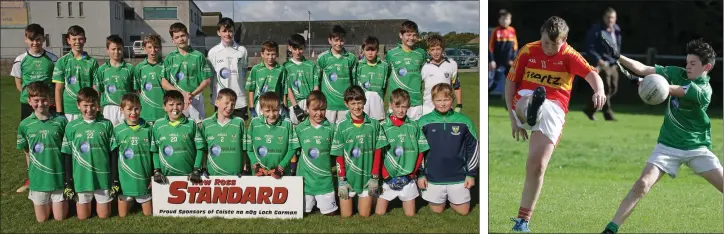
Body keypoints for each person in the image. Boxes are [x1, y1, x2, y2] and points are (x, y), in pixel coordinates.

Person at [600, 38, 723, 234]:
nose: (687, 67)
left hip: (697, 148)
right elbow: (642, 68)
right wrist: (619, 57)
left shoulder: (704, 91)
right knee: (642, 184)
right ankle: (610, 229)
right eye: (687, 62)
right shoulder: (677, 73)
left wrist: (649, 83)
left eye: (693, 64)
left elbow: (669, 90)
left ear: (706, 67)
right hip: (668, 145)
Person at [505, 16, 606, 232]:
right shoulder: (528, 51)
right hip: (525, 96)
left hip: (555, 107)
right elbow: (511, 82)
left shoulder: (569, 55)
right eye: (545, 43)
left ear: (565, 40)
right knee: (525, 100)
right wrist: (513, 119)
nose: (549, 48)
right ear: (540, 37)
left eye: (554, 44)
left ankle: (523, 221)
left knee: (538, 165)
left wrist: (599, 90)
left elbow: (592, 74)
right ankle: (529, 110)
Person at [417, 83, 478, 216]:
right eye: (438, 100)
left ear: (453, 99)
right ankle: (442, 198)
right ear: (432, 101)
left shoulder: (464, 121)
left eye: (446, 100)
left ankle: (453, 198)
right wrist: (421, 174)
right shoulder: (423, 122)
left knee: (463, 212)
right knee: (437, 211)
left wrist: (470, 174)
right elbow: (419, 151)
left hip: (458, 177)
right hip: (433, 177)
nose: (443, 103)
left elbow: (473, 148)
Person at [12, 23, 59, 193]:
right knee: (28, 143)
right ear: (26, 39)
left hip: (48, 106)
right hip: (28, 106)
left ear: (43, 39)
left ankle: (54, 174)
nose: (35, 43)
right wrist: (32, 100)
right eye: (31, 40)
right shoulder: (20, 59)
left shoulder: (53, 59)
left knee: (52, 140)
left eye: (38, 39)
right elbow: (19, 83)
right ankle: (31, 179)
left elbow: (56, 82)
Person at [331, 85, 387, 217]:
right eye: (353, 103)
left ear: (365, 102)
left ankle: (371, 196)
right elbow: (339, 155)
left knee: (365, 215)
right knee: (346, 215)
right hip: (348, 179)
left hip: (367, 179)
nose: (356, 107)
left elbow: (378, 151)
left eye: (359, 103)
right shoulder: (341, 126)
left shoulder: (374, 124)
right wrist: (342, 180)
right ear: (346, 104)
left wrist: (374, 177)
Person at [60, 87, 115, 220]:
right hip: (81, 178)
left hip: (102, 178)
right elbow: (67, 155)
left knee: (104, 216)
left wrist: (114, 179)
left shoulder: (106, 124)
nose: (89, 109)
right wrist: (68, 182)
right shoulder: (71, 126)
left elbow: (113, 152)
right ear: (78, 105)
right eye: (85, 105)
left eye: (92, 105)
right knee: (82, 217)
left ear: (98, 105)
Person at [17, 82, 68, 222]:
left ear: (50, 99)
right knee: (42, 219)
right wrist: (31, 174)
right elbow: (27, 152)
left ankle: (57, 200)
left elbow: (67, 150)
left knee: (59, 218)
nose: (41, 104)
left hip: (58, 177)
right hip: (38, 179)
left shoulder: (61, 122)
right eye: (36, 100)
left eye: (44, 99)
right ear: (29, 101)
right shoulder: (25, 124)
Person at [375, 89, 428, 216]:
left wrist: (411, 176)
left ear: (409, 106)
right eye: (397, 106)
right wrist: (386, 176)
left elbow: (421, 153)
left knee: (410, 215)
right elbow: (378, 155)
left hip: (407, 178)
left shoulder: (414, 126)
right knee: (379, 214)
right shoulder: (382, 126)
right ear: (390, 105)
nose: (400, 110)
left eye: (404, 106)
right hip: (388, 178)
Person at [294, 91, 338, 215]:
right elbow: (294, 153)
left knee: (330, 214)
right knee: (302, 213)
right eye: (315, 109)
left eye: (322, 109)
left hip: (325, 182)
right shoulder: (300, 129)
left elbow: (336, 154)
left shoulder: (332, 128)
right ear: (307, 108)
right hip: (305, 181)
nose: (319, 113)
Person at [160, 22, 212, 125]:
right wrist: (182, 94)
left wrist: (191, 94)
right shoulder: (170, 58)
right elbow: (164, 83)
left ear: (188, 35)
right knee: (178, 128)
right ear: (173, 40)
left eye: (183, 35)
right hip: (177, 101)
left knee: (198, 128)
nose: (181, 39)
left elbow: (206, 80)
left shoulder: (198, 56)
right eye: (177, 37)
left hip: (195, 99)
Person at [149, 90, 206, 185]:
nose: (175, 108)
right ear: (164, 107)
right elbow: (154, 150)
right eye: (171, 105)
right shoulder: (158, 125)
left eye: (179, 104)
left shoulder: (191, 124)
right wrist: (157, 170)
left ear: (184, 105)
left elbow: (200, 149)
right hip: (165, 179)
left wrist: (196, 169)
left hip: (189, 177)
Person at [110, 93, 153, 217]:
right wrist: (115, 179)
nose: (133, 112)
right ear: (122, 110)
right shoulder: (117, 130)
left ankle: (138, 200)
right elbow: (113, 155)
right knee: (122, 216)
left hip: (144, 179)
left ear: (140, 108)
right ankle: (130, 201)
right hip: (125, 180)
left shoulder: (148, 129)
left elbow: (153, 153)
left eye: (137, 108)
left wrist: (153, 173)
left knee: (148, 214)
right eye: (129, 109)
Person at [244, 92, 299, 178]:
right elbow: (249, 148)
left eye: (275, 110)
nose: (272, 114)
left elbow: (293, 148)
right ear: (261, 109)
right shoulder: (254, 123)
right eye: (267, 111)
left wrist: (281, 167)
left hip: (282, 174)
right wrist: (256, 164)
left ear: (280, 108)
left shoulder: (287, 124)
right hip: (260, 173)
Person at [52, 25, 99, 122]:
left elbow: (96, 87)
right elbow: (58, 89)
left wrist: (97, 107)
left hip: (87, 109)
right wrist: (59, 112)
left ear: (85, 40)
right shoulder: (62, 62)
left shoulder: (92, 62)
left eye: (80, 39)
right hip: (68, 109)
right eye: (74, 39)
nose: (77, 42)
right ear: (68, 40)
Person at [208, 17, 250, 121]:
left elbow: (244, 71)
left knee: (239, 132)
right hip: (221, 100)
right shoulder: (213, 52)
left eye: (230, 31)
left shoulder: (242, 50)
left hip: (239, 100)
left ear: (234, 31)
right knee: (222, 130)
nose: (227, 34)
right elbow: (211, 75)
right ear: (218, 32)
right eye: (224, 31)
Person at [584, 7, 622, 121]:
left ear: (615, 19)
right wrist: (598, 59)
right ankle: (608, 114)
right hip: (602, 64)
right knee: (605, 88)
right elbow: (589, 47)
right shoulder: (596, 30)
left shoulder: (617, 30)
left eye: (612, 18)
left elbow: (617, 47)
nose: (610, 20)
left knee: (613, 88)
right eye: (608, 17)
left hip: (613, 63)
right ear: (604, 18)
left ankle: (590, 109)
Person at [385, 20, 426, 120]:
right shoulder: (391, 54)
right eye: (408, 35)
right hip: (397, 103)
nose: (411, 38)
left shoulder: (421, 53)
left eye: (414, 35)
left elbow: (424, 75)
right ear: (401, 35)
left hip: (415, 102)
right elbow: (386, 77)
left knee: (415, 134)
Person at [200, 88, 246, 176]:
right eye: (227, 103)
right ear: (217, 102)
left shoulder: (239, 122)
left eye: (233, 104)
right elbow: (203, 150)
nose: (229, 107)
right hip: (213, 175)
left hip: (236, 176)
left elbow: (245, 149)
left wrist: (244, 169)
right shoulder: (206, 123)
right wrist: (204, 167)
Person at [317, 25, 357, 123]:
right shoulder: (322, 58)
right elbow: (316, 81)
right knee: (328, 134)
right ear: (330, 40)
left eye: (342, 40)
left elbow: (354, 82)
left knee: (344, 134)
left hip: (346, 105)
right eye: (336, 40)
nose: (339, 43)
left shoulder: (351, 58)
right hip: (328, 105)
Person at [95, 35, 135, 125]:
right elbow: (98, 91)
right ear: (107, 49)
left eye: (119, 49)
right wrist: (97, 109)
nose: (116, 52)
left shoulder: (130, 68)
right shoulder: (102, 69)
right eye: (113, 49)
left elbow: (134, 91)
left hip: (126, 108)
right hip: (108, 108)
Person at [421, 34, 462, 116]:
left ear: (443, 49)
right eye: (432, 49)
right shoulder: (424, 66)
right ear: (428, 51)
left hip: (445, 107)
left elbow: (456, 86)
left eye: (438, 49)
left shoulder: (452, 64)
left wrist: (459, 104)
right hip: (427, 108)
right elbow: (417, 87)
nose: (435, 52)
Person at [246, 40, 287, 119]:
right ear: (262, 54)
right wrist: (251, 108)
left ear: (277, 54)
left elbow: (283, 90)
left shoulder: (281, 69)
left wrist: (285, 106)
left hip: (276, 104)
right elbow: (251, 89)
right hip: (260, 104)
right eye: (267, 54)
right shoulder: (256, 69)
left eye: (273, 54)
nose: (270, 57)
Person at [285, 34, 320, 125]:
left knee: (309, 129)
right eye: (295, 49)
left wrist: (311, 104)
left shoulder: (311, 65)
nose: (298, 52)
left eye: (300, 49)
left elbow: (316, 87)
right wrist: (295, 107)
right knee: (295, 129)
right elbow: (288, 88)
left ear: (304, 47)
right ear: (290, 48)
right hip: (294, 103)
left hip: (309, 102)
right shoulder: (285, 67)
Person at [354, 36, 390, 121]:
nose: (370, 53)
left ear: (377, 50)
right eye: (367, 50)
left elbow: (385, 87)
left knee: (377, 124)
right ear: (363, 50)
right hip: (362, 100)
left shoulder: (384, 66)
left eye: (373, 50)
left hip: (378, 100)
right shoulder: (358, 65)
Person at [133, 34, 166, 124]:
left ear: (160, 48)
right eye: (149, 47)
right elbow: (138, 91)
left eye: (156, 47)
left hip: (164, 114)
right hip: (145, 114)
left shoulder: (166, 66)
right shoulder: (139, 68)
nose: (153, 51)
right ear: (144, 48)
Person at [488, 9, 518, 96]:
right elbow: (491, 47)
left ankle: (512, 100)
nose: (505, 21)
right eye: (503, 19)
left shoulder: (512, 30)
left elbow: (515, 47)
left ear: (510, 20)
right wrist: (492, 60)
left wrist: (513, 59)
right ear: (499, 20)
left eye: (507, 19)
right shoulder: (496, 31)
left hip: (509, 61)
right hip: (498, 62)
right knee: (495, 81)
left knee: (512, 81)